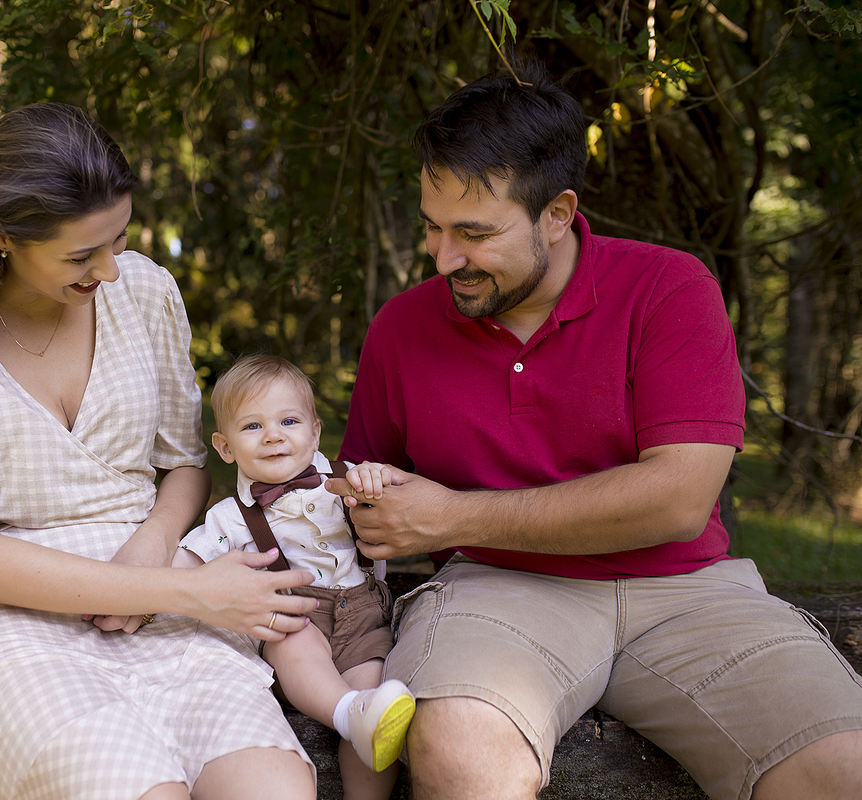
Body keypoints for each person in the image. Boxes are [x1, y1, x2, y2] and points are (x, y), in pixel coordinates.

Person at [327, 58, 862, 800]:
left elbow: (677, 499)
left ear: (557, 212)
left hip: (689, 593)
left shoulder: (669, 289)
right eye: (433, 228)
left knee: (843, 768)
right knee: (459, 750)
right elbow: (358, 503)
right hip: (494, 591)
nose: (444, 258)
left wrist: (450, 514)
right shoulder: (403, 329)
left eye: (474, 234)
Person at [0, 102, 321, 800]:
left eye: (117, 241)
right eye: (82, 255)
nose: (109, 270)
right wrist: (189, 590)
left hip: (159, 595)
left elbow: (183, 463)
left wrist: (155, 540)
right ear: (2, 233)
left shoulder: (144, 292)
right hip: (3, 622)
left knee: (276, 790)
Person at [174, 354, 415, 800]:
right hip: (292, 616)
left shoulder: (345, 485)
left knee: (378, 700)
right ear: (225, 448)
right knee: (296, 647)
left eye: (288, 421)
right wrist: (144, 591)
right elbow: (187, 563)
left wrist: (376, 482)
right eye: (252, 427)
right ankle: (344, 712)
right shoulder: (231, 517)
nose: (273, 437)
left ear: (315, 432)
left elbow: (401, 511)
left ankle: (362, 743)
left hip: (362, 615)